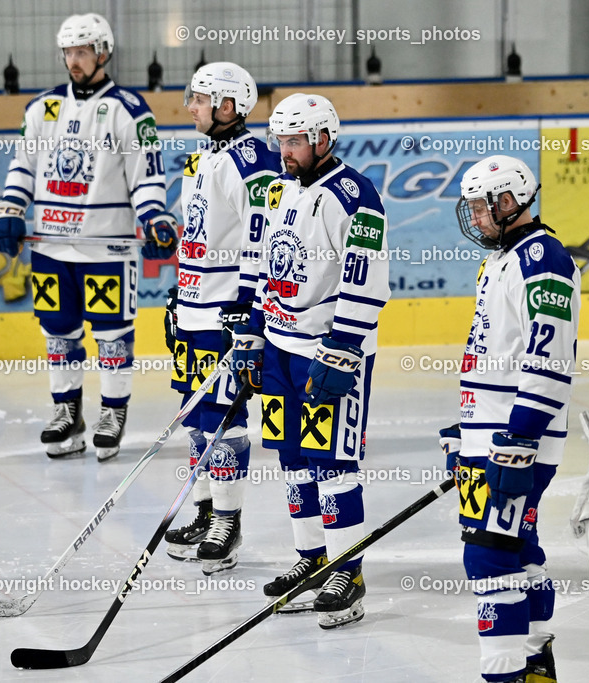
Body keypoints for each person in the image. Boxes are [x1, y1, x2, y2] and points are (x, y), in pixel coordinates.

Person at [0, 13, 176, 460]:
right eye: (69, 52)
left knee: (112, 334)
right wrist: (9, 210)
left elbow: (146, 177)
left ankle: (113, 412)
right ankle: (66, 411)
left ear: (103, 53)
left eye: (83, 51)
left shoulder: (130, 109)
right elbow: (22, 168)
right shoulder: (41, 108)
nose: (74, 60)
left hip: (105, 246)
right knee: (59, 333)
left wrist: (154, 219)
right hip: (51, 245)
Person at [232, 93, 389, 628]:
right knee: (293, 459)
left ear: (323, 139)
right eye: (280, 140)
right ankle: (312, 561)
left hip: (329, 356)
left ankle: (349, 573)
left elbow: (365, 280)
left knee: (334, 464)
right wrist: (251, 331)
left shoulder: (355, 196)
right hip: (279, 349)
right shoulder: (277, 189)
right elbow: (260, 262)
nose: (285, 150)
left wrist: (343, 349)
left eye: (295, 140)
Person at [439, 155, 579, 683]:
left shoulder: (543, 259)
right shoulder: (504, 257)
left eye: (479, 206)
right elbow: (496, 351)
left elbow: (549, 358)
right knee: (518, 546)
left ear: (507, 202)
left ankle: (505, 675)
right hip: (494, 436)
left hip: (517, 440)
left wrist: (517, 438)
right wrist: (468, 426)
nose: (473, 217)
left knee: (489, 556)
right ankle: (536, 661)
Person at [161, 63, 281, 575]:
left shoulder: (251, 161)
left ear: (228, 106)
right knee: (196, 415)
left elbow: (264, 236)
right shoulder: (206, 158)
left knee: (224, 417)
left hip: (224, 315)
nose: (190, 107)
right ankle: (206, 509)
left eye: (200, 99)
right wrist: (178, 293)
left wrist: (249, 308)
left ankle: (226, 523)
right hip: (195, 308)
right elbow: (201, 236)